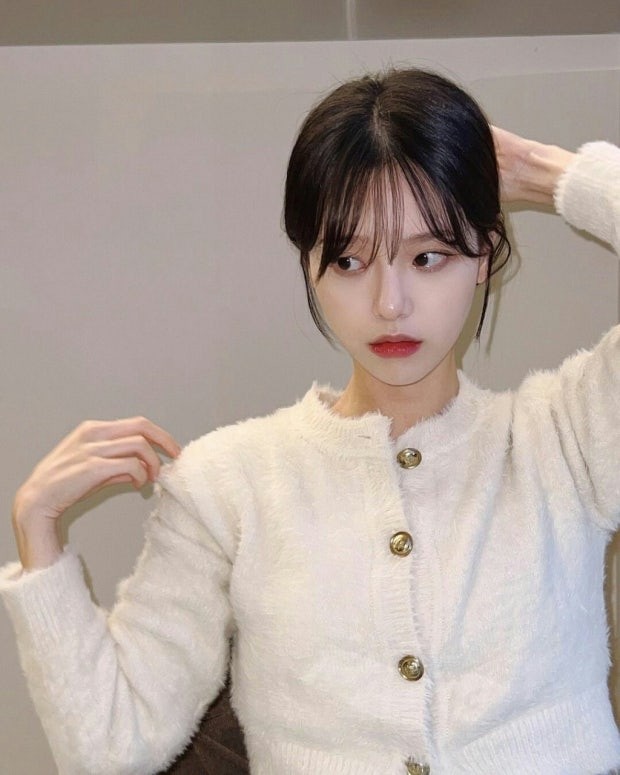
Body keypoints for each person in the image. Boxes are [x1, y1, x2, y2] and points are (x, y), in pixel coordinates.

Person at [1, 67, 619, 775]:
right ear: (310, 265)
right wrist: (38, 536)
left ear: (483, 255)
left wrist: (555, 174)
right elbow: (111, 747)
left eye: (428, 256)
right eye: (349, 260)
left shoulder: (568, 438)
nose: (390, 302)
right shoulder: (227, 485)